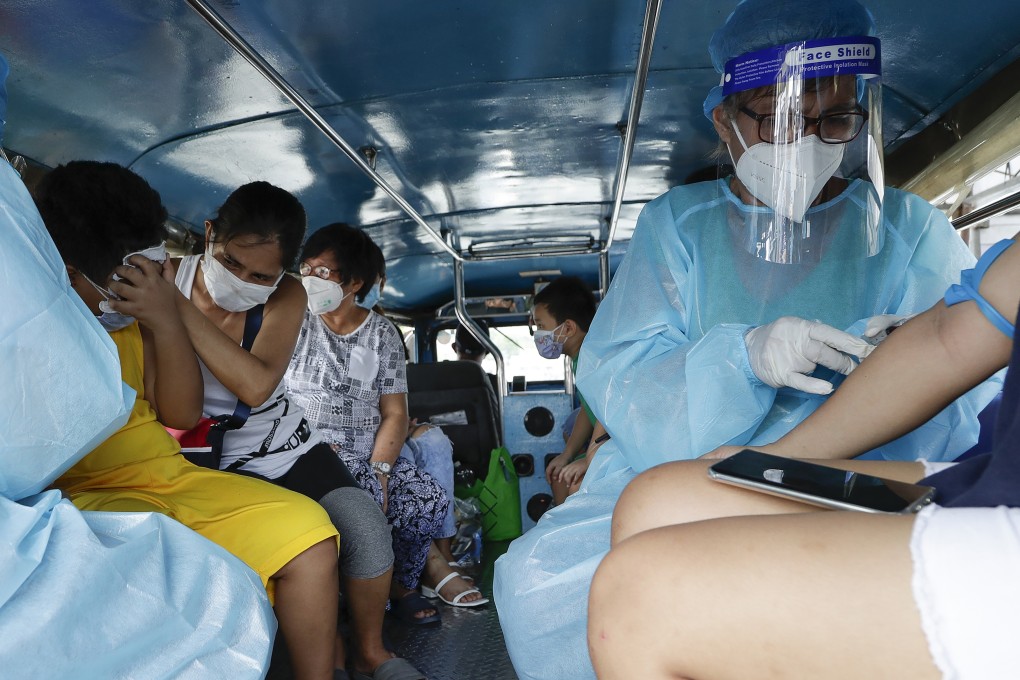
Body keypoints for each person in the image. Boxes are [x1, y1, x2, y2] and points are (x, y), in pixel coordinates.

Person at [493, 1, 1002, 678]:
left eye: (836, 119)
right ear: (725, 120)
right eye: (782, 118)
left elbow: (961, 378)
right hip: (680, 450)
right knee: (536, 585)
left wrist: (888, 356)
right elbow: (623, 375)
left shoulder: (908, 227)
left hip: (876, 450)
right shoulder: (680, 225)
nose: (809, 139)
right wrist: (744, 358)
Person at [591, 234, 1020, 679]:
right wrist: (778, 456)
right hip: (1002, 475)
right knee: (659, 498)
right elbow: (949, 335)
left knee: (639, 600)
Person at [35, 161, 341, 680]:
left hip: (166, 473)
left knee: (311, 531)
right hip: (85, 490)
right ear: (71, 271)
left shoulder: (138, 317)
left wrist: (163, 320)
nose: (143, 283)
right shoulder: (33, 323)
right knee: (170, 564)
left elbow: (178, 413)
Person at [169, 185, 420, 679]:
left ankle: (370, 650)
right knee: (306, 540)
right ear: (208, 235)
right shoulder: (166, 279)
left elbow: (258, 385)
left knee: (364, 526)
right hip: (205, 459)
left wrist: (178, 313)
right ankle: (325, 656)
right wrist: (172, 303)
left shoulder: (285, 295)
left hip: (286, 444)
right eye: (230, 262)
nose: (241, 280)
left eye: (261, 274)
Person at [283, 223, 487, 616]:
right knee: (362, 498)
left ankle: (401, 584)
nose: (309, 280)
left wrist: (381, 470)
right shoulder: (293, 321)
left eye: (322, 272)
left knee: (426, 499)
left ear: (354, 281)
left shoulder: (381, 334)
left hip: (365, 455)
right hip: (306, 452)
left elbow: (395, 413)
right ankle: (378, 592)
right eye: (305, 269)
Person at [531, 277, 607, 505]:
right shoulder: (579, 361)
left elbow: (607, 413)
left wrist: (589, 460)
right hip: (604, 449)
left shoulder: (595, 359)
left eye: (541, 326)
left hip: (618, 450)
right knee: (559, 477)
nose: (538, 335)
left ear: (568, 328)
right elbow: (588, 409)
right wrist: (567, 455)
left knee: (576, 487)